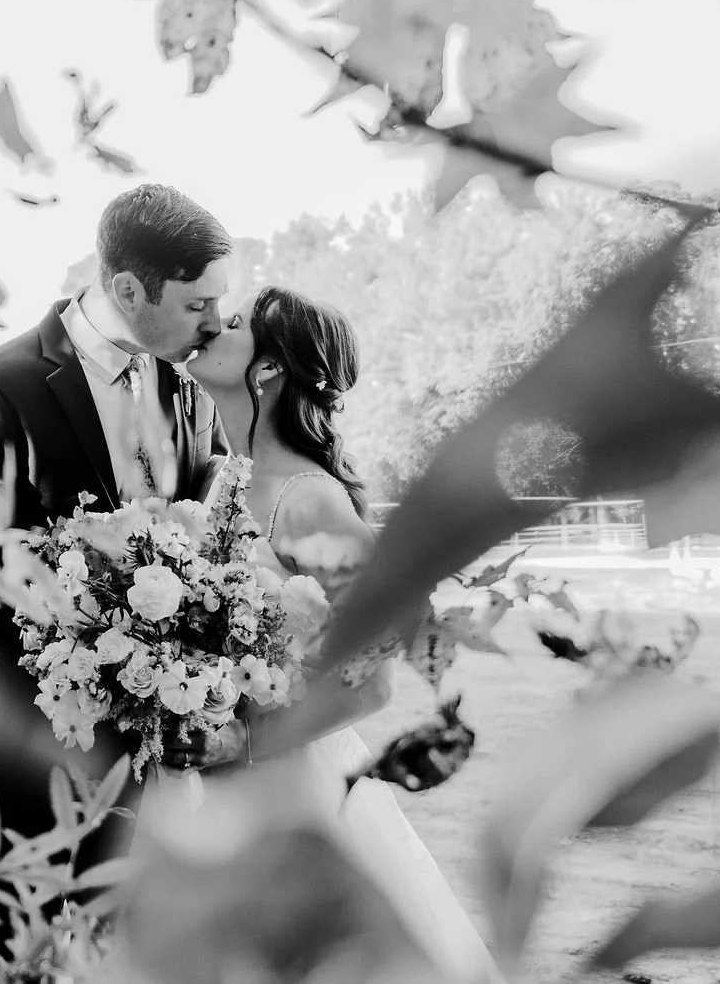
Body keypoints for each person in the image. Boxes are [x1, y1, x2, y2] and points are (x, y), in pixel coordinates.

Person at [0, 183, 247, 954]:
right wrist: (92, 680)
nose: (216, 320)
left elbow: (209, 547)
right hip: (18, 765)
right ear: (128, 288)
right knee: (7, 963)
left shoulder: (187, 390)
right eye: (197, 302)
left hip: (153, 770)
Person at [183, 284, 499, 980]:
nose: (209, 324)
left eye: (232, 321)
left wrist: (252, 742)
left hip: (284, 776)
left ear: (266, 370)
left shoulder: (312, 499)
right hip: (209, 772)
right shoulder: (226, 480)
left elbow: (375, 679)